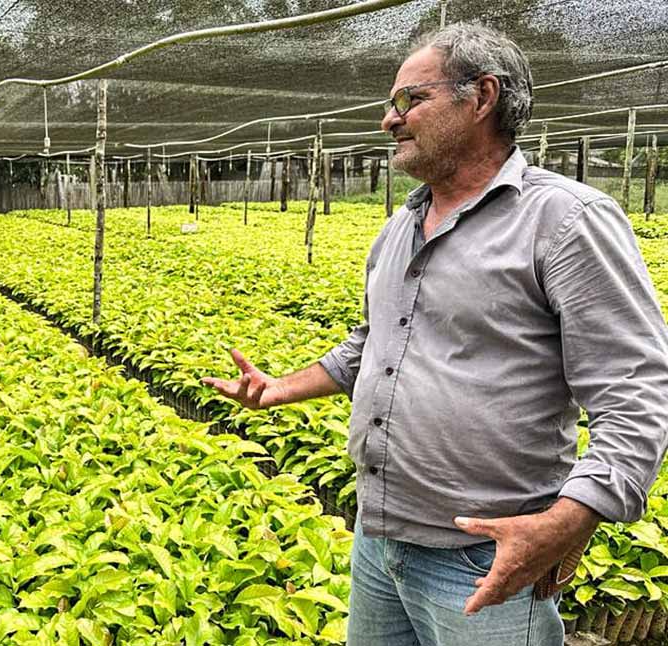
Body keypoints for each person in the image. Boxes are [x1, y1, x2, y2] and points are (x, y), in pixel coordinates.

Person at [203, 22, 668, 646]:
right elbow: (373, 342)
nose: (388, 122)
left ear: (480, 97)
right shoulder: (400, 226)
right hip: (379, 537)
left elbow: (635, 390)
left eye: (408, 101)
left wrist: (567, 522)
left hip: (484, 556)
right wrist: (280, 388)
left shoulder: (565, 221)